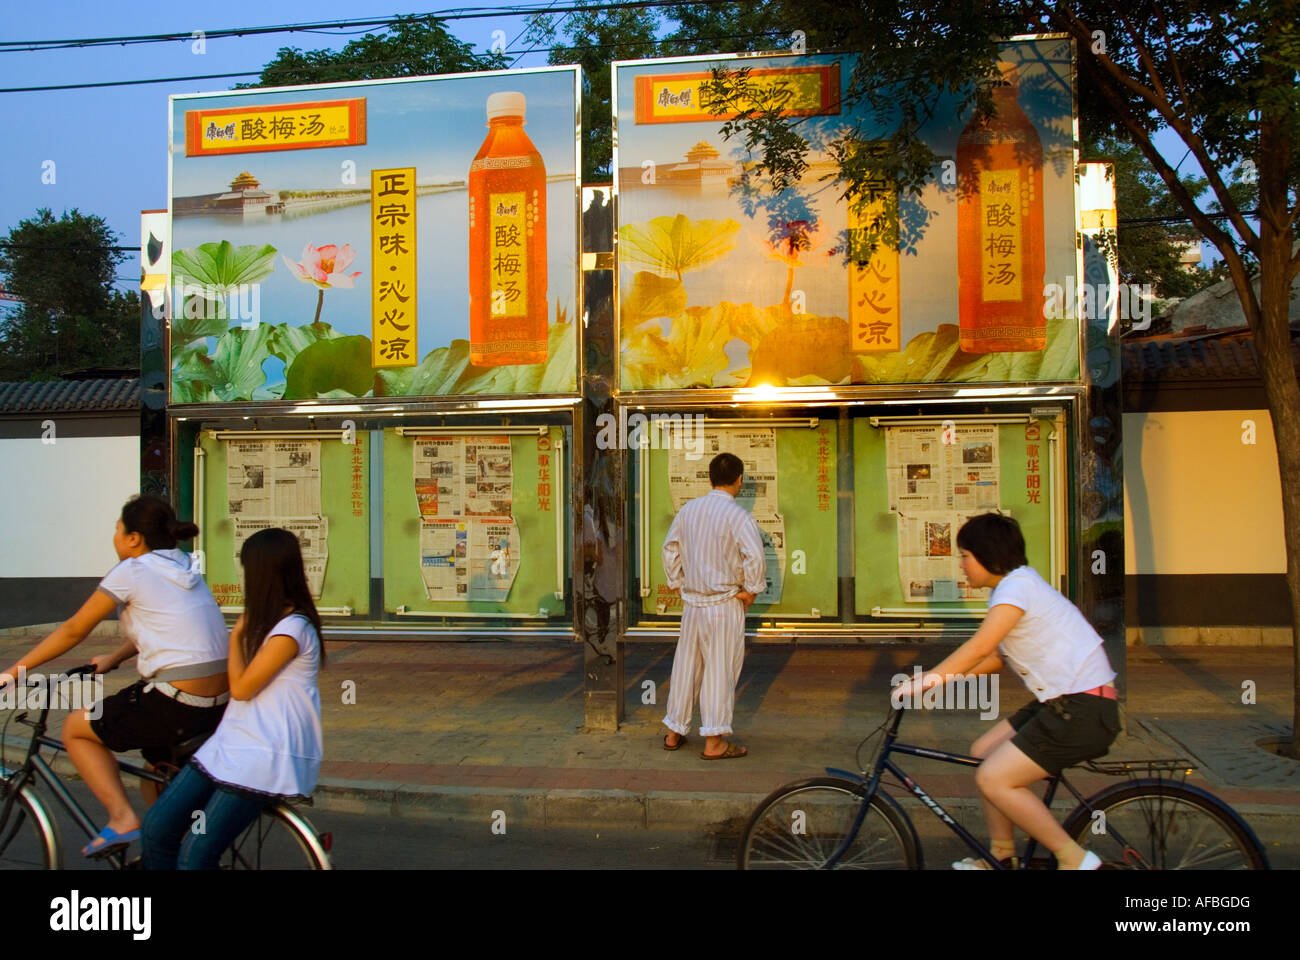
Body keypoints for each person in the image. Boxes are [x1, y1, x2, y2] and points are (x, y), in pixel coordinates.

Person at [0, 495, 230, 856]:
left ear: (134, 538)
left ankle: (122, 820)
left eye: (117, 529)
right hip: (216, 701)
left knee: (76, 729)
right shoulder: (184, 567)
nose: (115, 536)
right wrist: (114, 656)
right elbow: (167, 628)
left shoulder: (132, 570)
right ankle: (169, 850)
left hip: (177, 699)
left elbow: (74, 629)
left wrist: (13, 672)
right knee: (155, 772)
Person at [890, 513, 1119, 870]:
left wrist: (930, 678)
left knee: (993, 778)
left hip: (1082, 708)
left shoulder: (1018, 588)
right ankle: (1000, 856)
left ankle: (1074, 859)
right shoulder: (1010, 589)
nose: (961, 565)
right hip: (1065, 702)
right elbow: (995, 659)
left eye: (965, 555)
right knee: (983, 752)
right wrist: (938, 683)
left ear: (989, 555)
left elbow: (981, 647)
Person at [141, 527, 324, 870]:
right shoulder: (271, 623)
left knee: (195, 856)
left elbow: (241, 688)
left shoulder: (293, 629)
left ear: (261, 574)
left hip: (265, 757)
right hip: (231, 746)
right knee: (157, 828)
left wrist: (236, 635)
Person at [661, 452, 767, 760]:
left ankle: (674, 732)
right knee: (719, 670)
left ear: (710, 479)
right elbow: (755, 558)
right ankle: (714, 742)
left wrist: (679, 582)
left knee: (686, 668)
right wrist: (752, 591)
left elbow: (670, 549)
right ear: (738, 480)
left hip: (693, 605)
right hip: (724, 604)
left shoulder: (689, 510)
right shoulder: (739, 517)